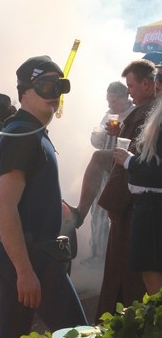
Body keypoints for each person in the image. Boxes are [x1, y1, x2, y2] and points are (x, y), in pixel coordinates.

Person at [0, 55, 88, 338]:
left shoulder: (32, 132)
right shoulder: (23, 134)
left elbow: (28, 192)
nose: (54, 95)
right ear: (24, 92)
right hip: (32, 256)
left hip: (29, 253)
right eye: (46, 85)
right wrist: (25, 271)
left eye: (60, 86)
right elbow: (4, 206)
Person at [96, 59, 157, 318]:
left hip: (142, 207)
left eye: (131, 86)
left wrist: (113, 202)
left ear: (148, 84)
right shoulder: (144, 112)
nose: (130, 90)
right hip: (136, 203)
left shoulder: (148, 114)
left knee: (143, 276)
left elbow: (139, 165)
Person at [71, 81, 134, 261]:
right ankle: (97, 255)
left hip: (124, 173)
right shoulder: (108, 115)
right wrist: (96, 135)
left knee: (115, 212)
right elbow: (99, 143)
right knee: (98, 211)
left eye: (113, 101)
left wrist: (120, 131)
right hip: (104, 172)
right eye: (108, 101)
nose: (109, 105)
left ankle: (114, 256)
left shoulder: (134, 113)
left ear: (125, 98)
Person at [113, 94, 162, 296]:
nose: (157, 82)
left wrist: (129, 162)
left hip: (153, 208)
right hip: (149, 207)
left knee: (152, 273)